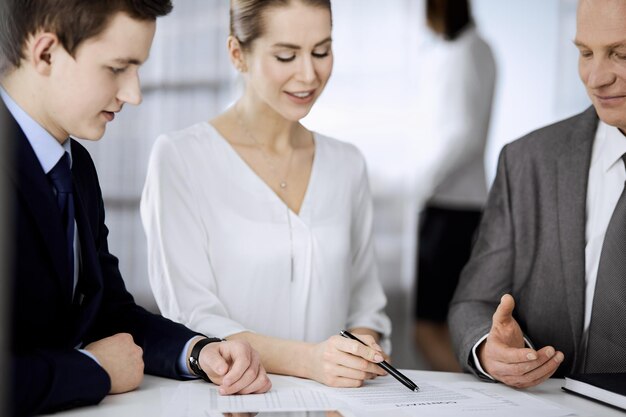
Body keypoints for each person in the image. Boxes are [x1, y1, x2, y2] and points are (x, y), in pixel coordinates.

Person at [0, 1, 271, 415]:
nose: (134, 94)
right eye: (116, 68)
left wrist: (198, 351)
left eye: (138, 68)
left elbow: (109, 312)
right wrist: (94, 369)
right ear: (46, 53)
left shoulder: (76, 167)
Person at [141, 0, 392, 388]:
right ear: (237, 54)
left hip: (335, 406)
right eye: (286, 55)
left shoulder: (348, 164)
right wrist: (309, 361)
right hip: (231, 403)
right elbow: (191, 315)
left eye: (322, 51)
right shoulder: (182, 157)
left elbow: (366, 304)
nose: (309, 74)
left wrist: (363, 347)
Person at [449, 0, 626, 388]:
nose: (595, 77)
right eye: (585, 53)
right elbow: (473, 303)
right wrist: (491, 349)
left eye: (621, 54)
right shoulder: (528, 161)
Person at [412, 0, 496, 372]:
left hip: (450, 206)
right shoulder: (475, 50)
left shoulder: (464, 53)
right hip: (460, 204)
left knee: (429, 329)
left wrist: (419, 187)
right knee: (442, 326)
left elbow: (464, 135)